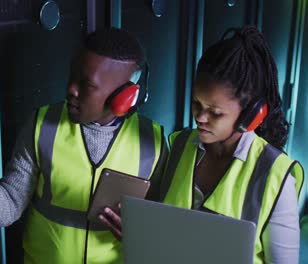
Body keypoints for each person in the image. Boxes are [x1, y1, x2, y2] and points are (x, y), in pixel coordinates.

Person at [0, 27, 167, 263]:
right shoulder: (42, 126)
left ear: (124, 97)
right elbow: (9, 208)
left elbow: (163, 234)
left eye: (86, 85)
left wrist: (141, 235)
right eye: (72, 76)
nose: (71, 89)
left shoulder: (153, 143)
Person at [100, 26, 304, 264]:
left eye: (215, 113)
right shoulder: (179, 147)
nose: (200, 117)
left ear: (252, 115)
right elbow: (166, 233)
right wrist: (139, 235)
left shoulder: (276, 176)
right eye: (197, 103)